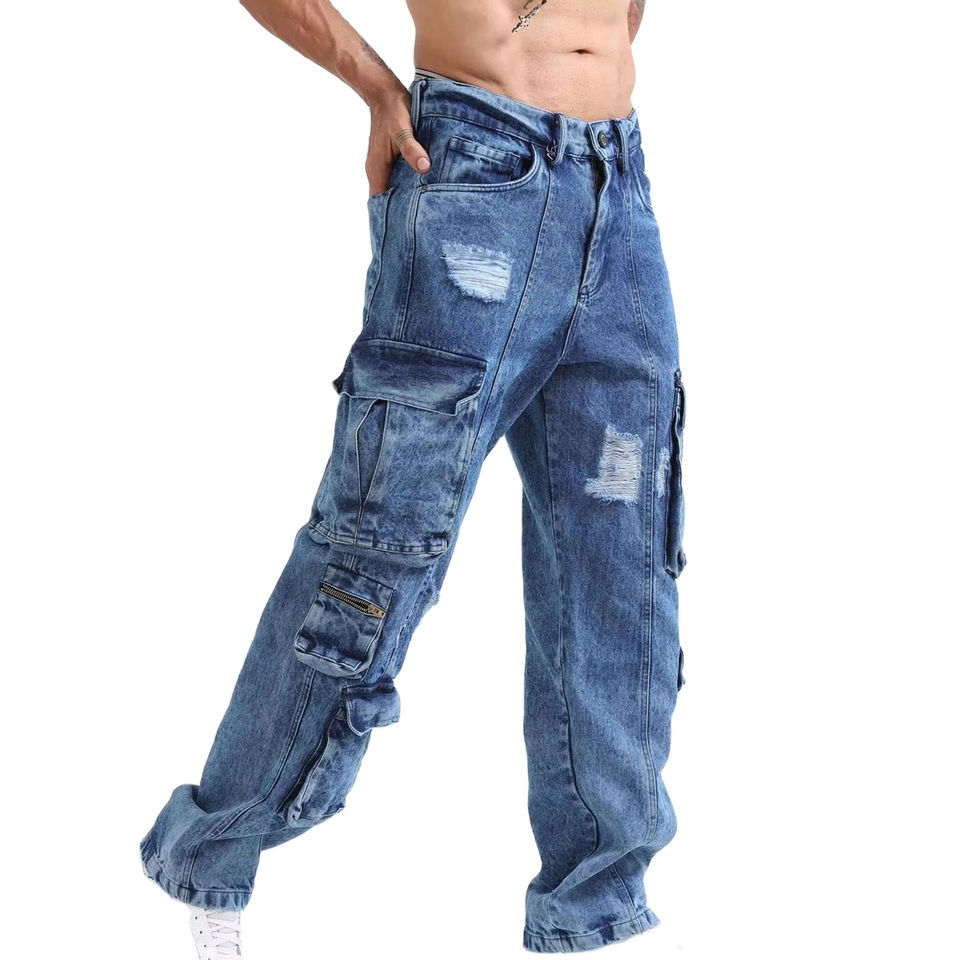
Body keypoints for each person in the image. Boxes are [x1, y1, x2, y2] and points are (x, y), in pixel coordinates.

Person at [139, 1, 688, 956]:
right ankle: (214, 861)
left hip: (619, 188)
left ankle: (593, 913)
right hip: (477, 178)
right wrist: (374, 85)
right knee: (378, 543)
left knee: (623, 575)